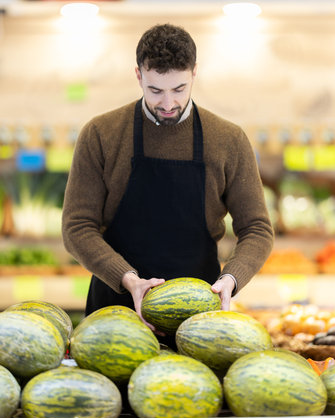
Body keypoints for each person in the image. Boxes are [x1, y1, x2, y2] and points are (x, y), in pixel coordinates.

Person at [62, 23, 274, 343]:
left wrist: (231, 278)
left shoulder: (229, 139)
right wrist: (127, 278)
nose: (168, 103)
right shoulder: (101, 134)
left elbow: (257, 228)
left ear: (194, 74)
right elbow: (77, 226)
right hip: (115, 313)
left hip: (199, 316)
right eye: (155, 90)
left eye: (179, 89)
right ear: (139, 76)